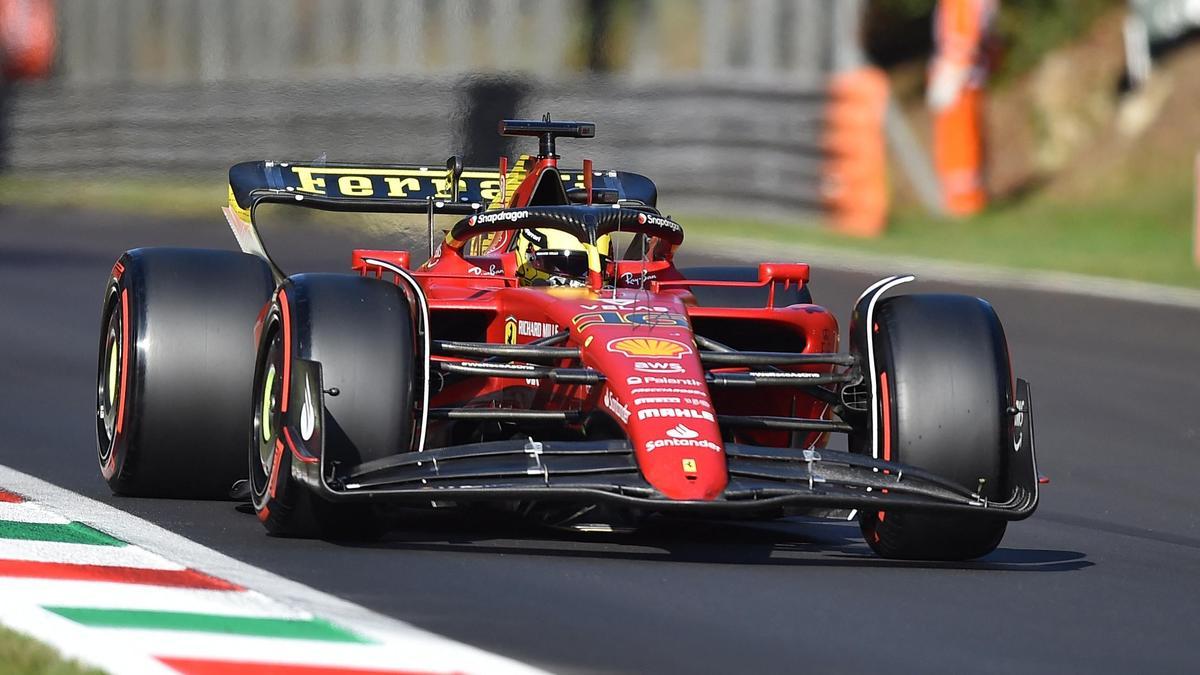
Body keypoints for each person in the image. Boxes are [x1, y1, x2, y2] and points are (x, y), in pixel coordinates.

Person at [928, 0, 998, 216]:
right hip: (965, 76)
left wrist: (953, 74)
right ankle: (962, 200)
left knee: (961, 141)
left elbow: (964, 37)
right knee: (960, 140)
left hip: (961, 78)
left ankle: (964, 202)